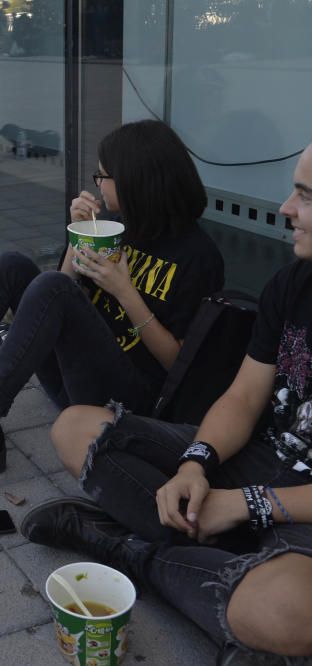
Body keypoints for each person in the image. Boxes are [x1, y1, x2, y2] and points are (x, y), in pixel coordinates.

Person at [28, 143, 312, 663]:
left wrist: (249, 504)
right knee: (74, 429)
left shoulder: (196, 253)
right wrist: (196, 463)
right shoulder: (294, 281)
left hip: (303, 505)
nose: (285, 209)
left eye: (305, 196)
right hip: (255, 457)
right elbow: (245, 396)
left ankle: (128, 550)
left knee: (289, 612)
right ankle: (219, 571)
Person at [0, 120, 226, 486]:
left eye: (103, 176)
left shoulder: (198, 256)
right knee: (12, 266)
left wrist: (126, 294)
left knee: (51, 286)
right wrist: (77, 237)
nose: (97, 184)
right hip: (76, 376)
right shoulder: (120, 225)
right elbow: (62, 293)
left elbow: (179, 368)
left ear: (135, 181)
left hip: (126, 404)